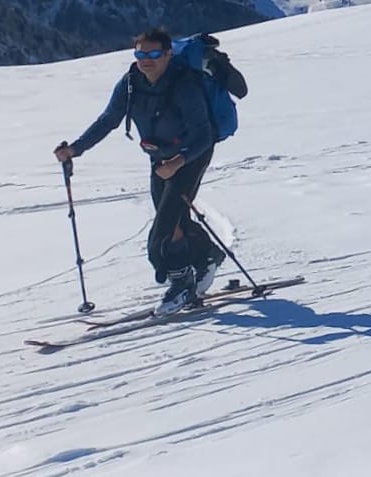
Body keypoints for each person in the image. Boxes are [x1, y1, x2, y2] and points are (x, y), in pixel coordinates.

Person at [54, 27, 241, 314]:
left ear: (167, 54)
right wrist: (76, 149)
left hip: (191, 155)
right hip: (160, 159)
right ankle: (207, 256)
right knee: (172, 218)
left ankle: (182, 284)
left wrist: (178, 162)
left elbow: (203, 135)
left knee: (164, 230)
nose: (146, 60)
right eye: (140, 53)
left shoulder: (184, 83)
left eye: (153, 53)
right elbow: (109, 119)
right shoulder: (131, 82)